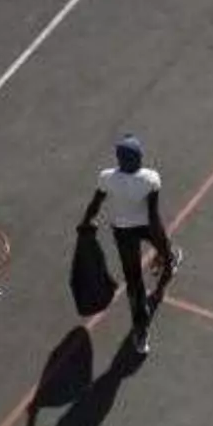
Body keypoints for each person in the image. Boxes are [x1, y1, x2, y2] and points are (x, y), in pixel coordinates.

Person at [79, 134, 180, 353]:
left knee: (134, 283)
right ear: (139, 158)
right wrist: (162, 246)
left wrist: (86, 222)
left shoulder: (106, 177)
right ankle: (164, 273)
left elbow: (95, 203)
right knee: (167, 254)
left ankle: (141, 334)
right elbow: (153, 216)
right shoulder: (151, 178)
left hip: (123, 233)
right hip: (147, 227)